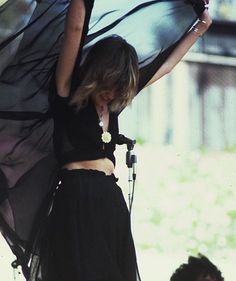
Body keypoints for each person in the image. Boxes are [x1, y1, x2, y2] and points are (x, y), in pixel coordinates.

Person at [0, 0, 212, 280]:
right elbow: (75, 28)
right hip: (77, 200)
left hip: (110, 202)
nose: (112, 93)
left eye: (120, 87)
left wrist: (203, 24)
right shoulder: (68, 94)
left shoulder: (113, 106)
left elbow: (167, 65)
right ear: (97, 74)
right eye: (109, 84)